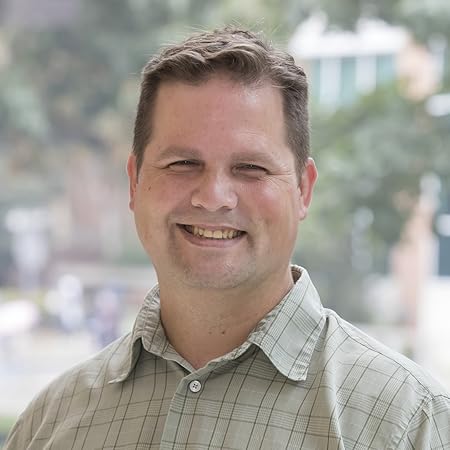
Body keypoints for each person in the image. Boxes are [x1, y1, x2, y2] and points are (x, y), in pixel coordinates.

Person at [5, 27, 450, 450]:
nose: (213, 197)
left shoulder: (412, 424)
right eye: (182, 164)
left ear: (303, 189)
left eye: (251, 168)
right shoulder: (48, 424)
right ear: (135, 182)